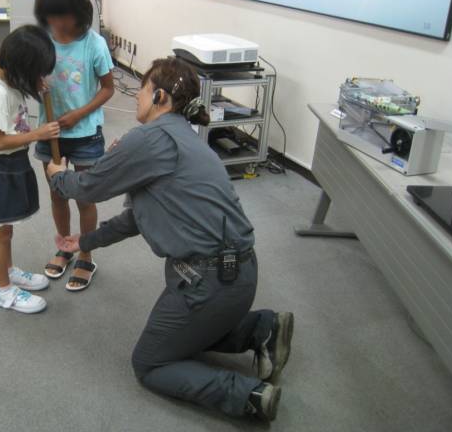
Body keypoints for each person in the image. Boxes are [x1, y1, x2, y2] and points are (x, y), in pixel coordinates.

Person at [46, 57, 294, 421]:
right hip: (236, 275)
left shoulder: (151, 138)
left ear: (159, 96)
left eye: (142, 90)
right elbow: (136, 219)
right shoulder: (183, 138)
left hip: (208, 283)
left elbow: (89, 186)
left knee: (150, 362)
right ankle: (262, 328)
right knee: (179, 335)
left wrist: (57, 176)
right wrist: (85, 242)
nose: (135, 98)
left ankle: (249, 396)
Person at [0, 25, 60, 314]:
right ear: (21, 65)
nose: (39, 77)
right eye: (36, 71)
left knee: (7, 230)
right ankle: (3, 291)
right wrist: (38, 134)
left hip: (12, 163)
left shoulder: (8, 79)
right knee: (0, 233)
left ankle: (8, 271)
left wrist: (35, 85)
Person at [33, 0, 115, 291]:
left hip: (84, 134)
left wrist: (78, 114)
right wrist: (34, 82)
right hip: (50, 132)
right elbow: (31, 76)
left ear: (78, 11)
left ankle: (85, 254)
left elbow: (107, 89)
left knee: (84, 197)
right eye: (51, 16)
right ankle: (65, 247)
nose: (58, 23)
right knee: (57, 194)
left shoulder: (94, 44)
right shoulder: (43, 39)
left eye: (63, 16)